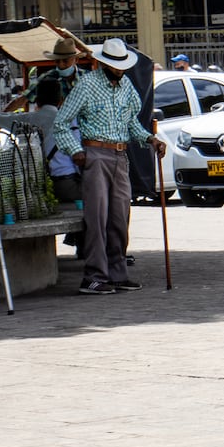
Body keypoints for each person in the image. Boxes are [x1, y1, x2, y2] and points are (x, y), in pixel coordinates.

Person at [54, 38, 165, 295]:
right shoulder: (87, 85)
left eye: (122, 65)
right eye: (115, 65)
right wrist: (75, 151)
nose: (120, 69)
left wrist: (150, 139)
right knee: (97, 217)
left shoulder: (127, 86)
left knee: (119, 217)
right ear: (103, 63)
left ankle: (117, 273)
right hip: (95, 153)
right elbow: (61, 123)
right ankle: (94, 276)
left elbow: (132, 124)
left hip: (120, 155)